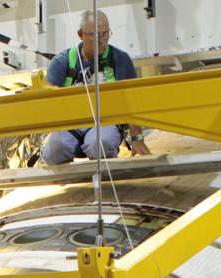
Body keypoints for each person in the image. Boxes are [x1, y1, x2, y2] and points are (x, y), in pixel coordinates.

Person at [40, 11, 150, 165]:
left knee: (100, 144)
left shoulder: (119, 59)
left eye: (105, 34)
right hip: (71, 125)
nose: (102, 40)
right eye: (95, 35)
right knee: (54, 150)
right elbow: (47, 99)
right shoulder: (63, 61)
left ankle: (105, 176)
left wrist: (137, 139)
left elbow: (131, 101)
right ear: (80, 35)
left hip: (104, 123)